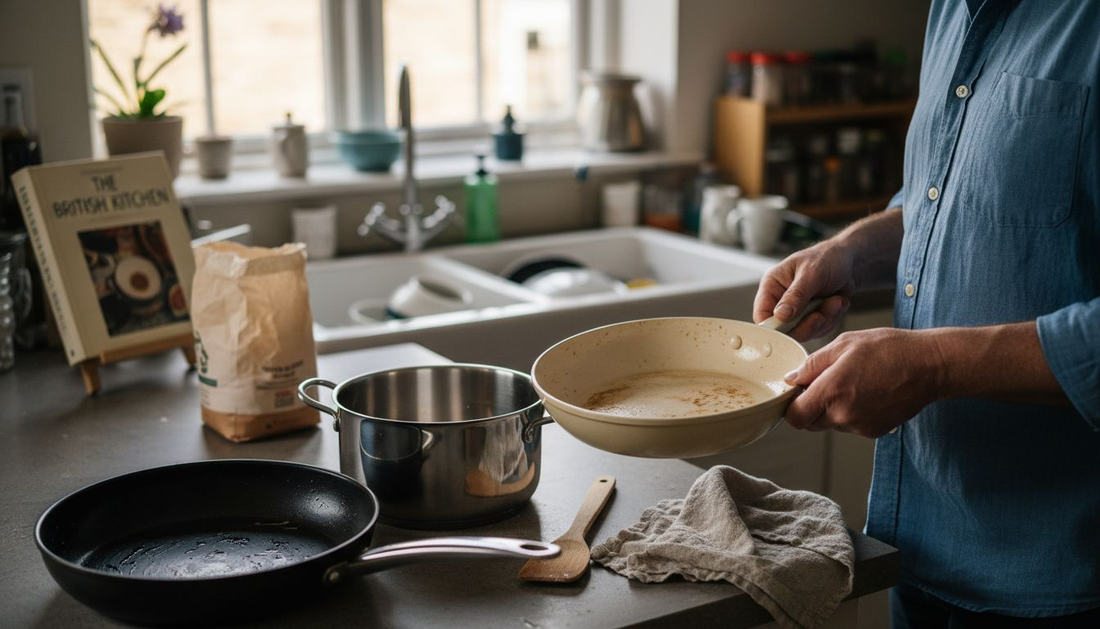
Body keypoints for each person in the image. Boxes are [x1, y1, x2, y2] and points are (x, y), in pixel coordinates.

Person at [753, 1, 1100, 627]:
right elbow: (950, 197)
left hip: (1060, 578)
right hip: (918, 553)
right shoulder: (950, 11)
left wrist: (934, 365)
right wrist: (853, 252)